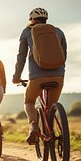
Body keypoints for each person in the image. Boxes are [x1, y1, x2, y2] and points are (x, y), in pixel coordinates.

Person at [12, 8, 67, 144]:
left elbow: (21, 57)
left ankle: (33, 126)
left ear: (31, 20)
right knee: (51, 107)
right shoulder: (58, 31)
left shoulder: (27, 32)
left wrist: (16, 77)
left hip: (37, 77)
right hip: (58, 76)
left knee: (29, 101)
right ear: (46, 19)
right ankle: (52, 132)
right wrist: (60, 73)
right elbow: (64, 55)